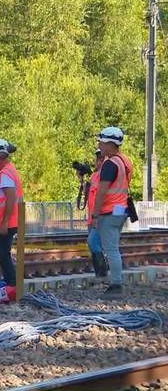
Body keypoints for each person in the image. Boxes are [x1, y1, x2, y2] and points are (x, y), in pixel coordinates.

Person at [90, 127, 133, 299]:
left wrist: (94, 214)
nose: (99, 144)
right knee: (94, 240)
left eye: (101, 141)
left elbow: (102, 191)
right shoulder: (124, 161)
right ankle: (105, 276)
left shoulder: (110, 164)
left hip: (109, 211)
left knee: (112, 249)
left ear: (110, 144)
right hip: (120, 209)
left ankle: (116, 285)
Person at [0, 138, 23, 290]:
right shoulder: (7, 171)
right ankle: (12, 285)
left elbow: (10, 198)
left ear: (1, 156)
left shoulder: (6, 174)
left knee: (3, 254)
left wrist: (4, 222)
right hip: (9, 220)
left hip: (7, 222)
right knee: (3, 254)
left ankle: (12, 285)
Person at [86, 149, 107, 277]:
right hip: (92, 217)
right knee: (93, 245)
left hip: (99, 216)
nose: (98, 162)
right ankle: (98, 273)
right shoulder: (94, 176)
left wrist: (97, 216)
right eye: (97, 159)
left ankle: (103, 271)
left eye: (101, 159)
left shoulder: (105, 176)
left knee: (93, 242)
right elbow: (88, 195)